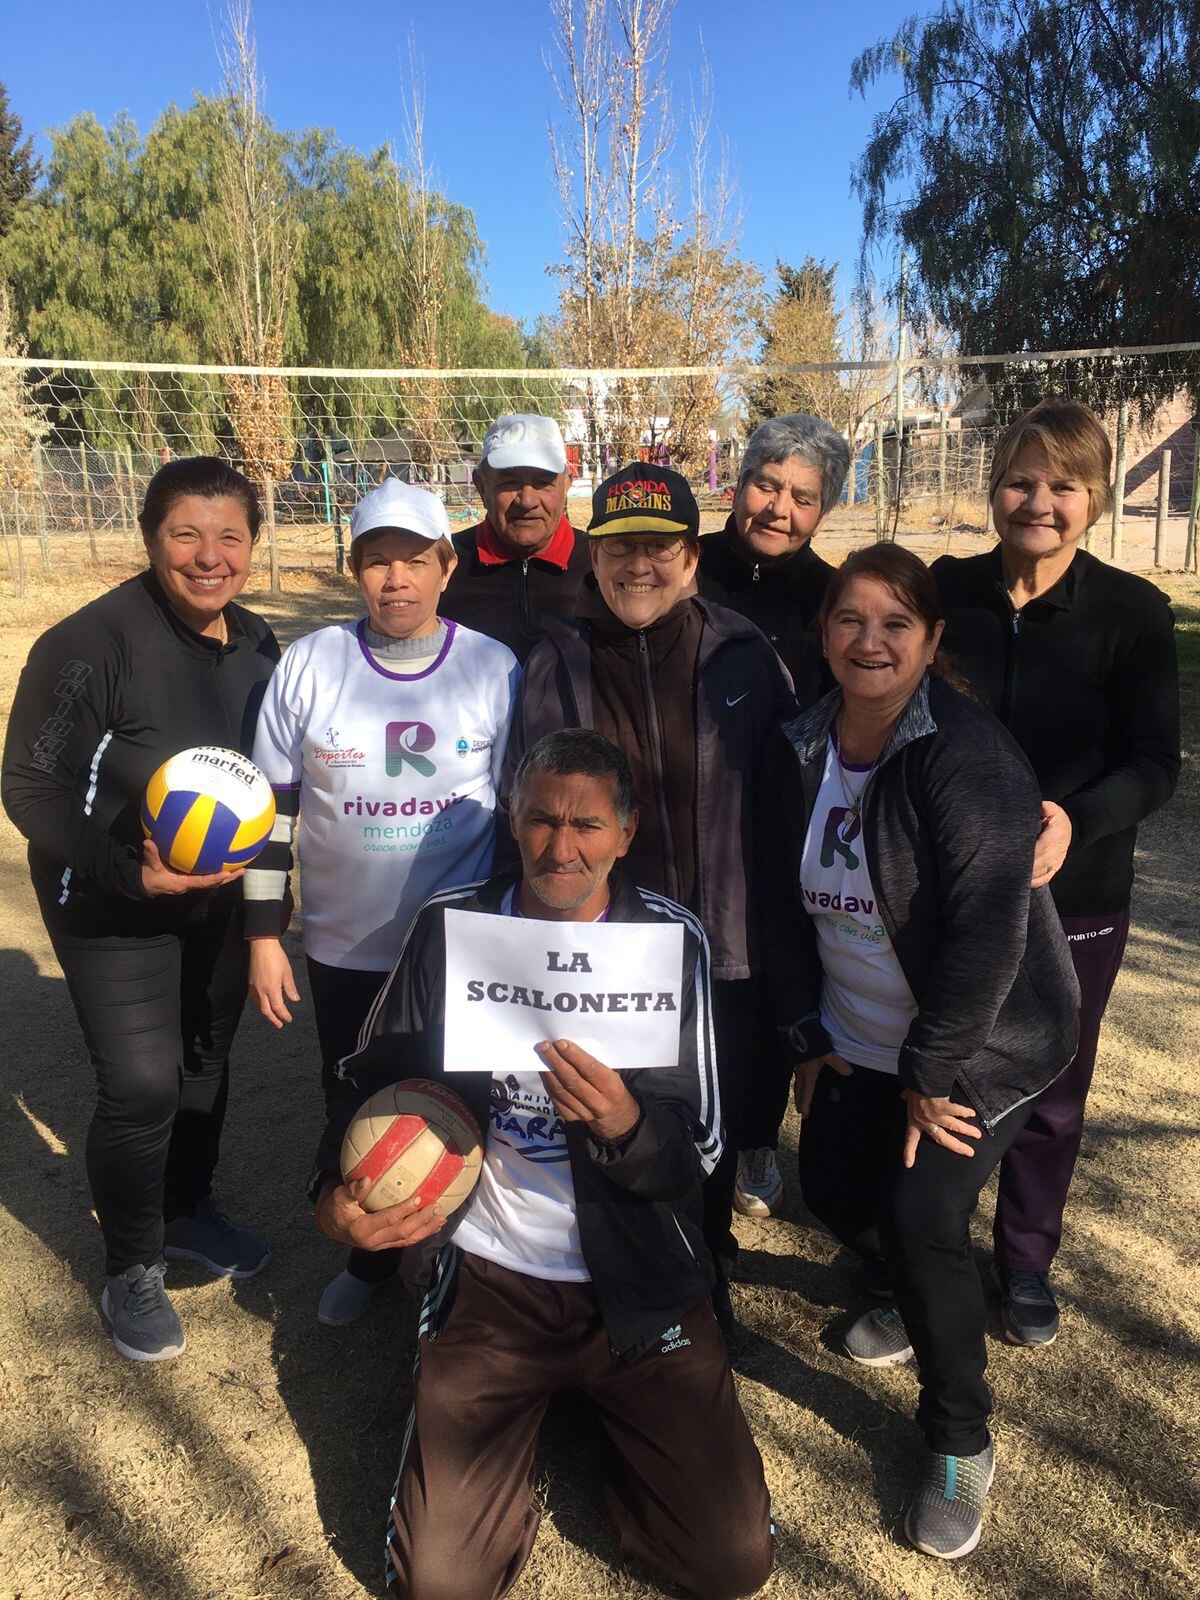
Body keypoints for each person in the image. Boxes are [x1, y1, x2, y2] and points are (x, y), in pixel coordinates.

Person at [313, 729, 773, 1600]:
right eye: (541, 820)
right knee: (438, 1588)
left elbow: (700, 1144)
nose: (563, 847)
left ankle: (621, 1434)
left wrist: (627, 1124)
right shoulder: (453, 927)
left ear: (627, 833)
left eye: (588, 825)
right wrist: (332, 1197)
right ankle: (509, 1442)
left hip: (638, 1284)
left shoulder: (668, 941)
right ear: (513, 823)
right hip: (493, 1277)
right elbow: (367, 1079)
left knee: (734, 1564)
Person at [760, 543, 1079, 1559]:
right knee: (838, 1192)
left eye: (897, 623)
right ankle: (900, 1292)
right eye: (851, 619)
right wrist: (808, 1037)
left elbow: (992, 937)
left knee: (921, 1210)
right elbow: (777, 903)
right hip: (860, 1031)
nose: (870, 640)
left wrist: (928, 1079)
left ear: (933, 641)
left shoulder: (966, 757)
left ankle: (959, 1440)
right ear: (824, 633)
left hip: (984, 1040)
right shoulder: (800, 743)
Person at [1, 457, 280, 1363]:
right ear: (151, 537)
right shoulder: (91, 643)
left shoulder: (262, 645)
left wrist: (267, 913)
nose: (209, 556)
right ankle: (132, 1266)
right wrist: (129, 870)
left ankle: (189, 1208)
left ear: (252, 544)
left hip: (220, 899)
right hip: (110, 901)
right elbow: (29, 785)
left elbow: (276, 786)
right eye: (185, 535)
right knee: (143, 1084)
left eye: (229, 535)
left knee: (204, 1055)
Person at [506, 464, 796, 1328]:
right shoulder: (555, 661)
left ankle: (703, 1287)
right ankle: (598, 1292)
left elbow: (787, 807)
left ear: (691, 557)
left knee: (700, 1130)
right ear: (593, 556)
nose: (640, 565)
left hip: (723, 949)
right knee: (607, 1117)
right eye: (620, 545)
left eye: (659, 546)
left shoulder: (745, 656)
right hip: (603, 950)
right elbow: (523, 810)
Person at [932, 398, 1180, 1347]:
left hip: (1073, 897)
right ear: (994, 486)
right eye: (1021, 479)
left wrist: (1078, 820)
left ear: (1097, 500)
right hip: (948, 890)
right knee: (933, 1065)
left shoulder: (1133, 613)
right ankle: (918, 1243)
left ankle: (1025, 1259)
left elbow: (1156, 762)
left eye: (1063, 486)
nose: (1038, 501)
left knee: (1052, 1084)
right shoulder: (942, 591)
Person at [245, 476, 520, 1327]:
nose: (395, 580)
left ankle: (463, 1266)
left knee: (465, 1108)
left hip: (456, 951)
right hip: (344, 946)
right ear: (355, 570)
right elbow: (270, 810)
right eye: (376, 562)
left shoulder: (492, 665)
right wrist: (263, 937)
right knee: (356, 1110)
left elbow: (518, 814)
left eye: (413, 560)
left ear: (447, 566)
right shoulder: (310, 663)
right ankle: (370, 1265)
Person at [697, 413, 850, 1221]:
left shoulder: (831, 596)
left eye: (802, 496)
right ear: (738, 481)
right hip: (690, 811)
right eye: (766, 484)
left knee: (765, 986)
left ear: (822, 509)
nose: (778, 508)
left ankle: (755, 1135)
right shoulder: (690, 566)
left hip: (787, 827)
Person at [439, 413, 591, 661]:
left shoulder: (601, 565)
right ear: (481, 485)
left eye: (543, 483)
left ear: (566, 485)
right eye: (510, 482)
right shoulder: (444, 565)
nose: (527, 500)